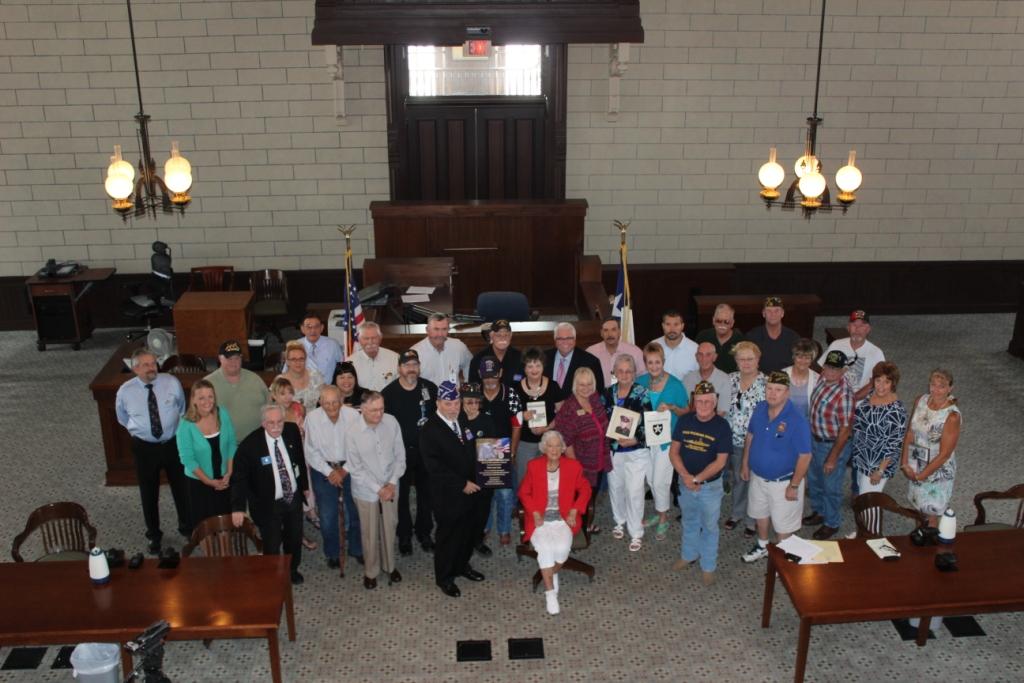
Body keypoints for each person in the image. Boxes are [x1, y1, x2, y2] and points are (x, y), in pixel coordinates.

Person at [115, 347, 190, 554]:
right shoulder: (125, 391)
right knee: (149, 493)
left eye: (153, 363)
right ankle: (154, 535)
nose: (152, 368)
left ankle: (186, 528)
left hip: (172, 443)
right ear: (135, 368)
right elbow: (122, 418)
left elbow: (182, 409)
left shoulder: (171, 382)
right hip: (145, 448)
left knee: (181, 489)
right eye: (146, 364)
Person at [420, 381, 486, 598]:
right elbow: (434, 468)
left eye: (456, 402)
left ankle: (462, 566)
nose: (453, 407)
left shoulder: (463, 420)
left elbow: (473, 450)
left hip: (471, 491)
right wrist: (461, 484)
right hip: (447, 495)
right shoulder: (430, 429)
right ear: (438, 403)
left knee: (467, 533)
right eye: (448, 403)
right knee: (448, 537)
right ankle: (445, 577)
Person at [231, 404, 309, 584]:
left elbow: (299, 459)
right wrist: (237, 507)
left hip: (292, 497)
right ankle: (272, 573)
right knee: (272, 543)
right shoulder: (249, 446)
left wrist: (304, 485)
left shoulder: (291, 431)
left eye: (279, 422)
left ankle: (292, 569)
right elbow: (239, 479)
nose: (275, 427)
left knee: (294, 537)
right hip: (267, 503)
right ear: (263, 423)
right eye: (271, 423)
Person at [740, 371, 812, 563]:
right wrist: (745, 463)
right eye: (769, 388)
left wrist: (794, 485)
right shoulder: (760, 408)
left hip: (784, 482)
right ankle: (763, 545)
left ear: (787, 392)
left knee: (783, 526)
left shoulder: (797, 420)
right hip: (758, 477)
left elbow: (805, 456)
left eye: (778, 390)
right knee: (759, 513)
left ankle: (783, 560)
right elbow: (751, 435)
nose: (772, 393)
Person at [518, 430, 592, 616]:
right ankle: (550, 593)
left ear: (562, 448)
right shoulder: (534, 466)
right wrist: (534, 512)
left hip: (563, 519)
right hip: (539, 520)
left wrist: (575, 509)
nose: (553, 449)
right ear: (544, 448)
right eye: (550, 446)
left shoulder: (573, 466)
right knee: (544, 550)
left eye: (557, 445)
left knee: (561, 550)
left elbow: (585, 489)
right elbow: (524, 492)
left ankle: (550, 571)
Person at [668, 381, 731, 585]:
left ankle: (708, 565)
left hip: (709, 487)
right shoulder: (684, 420)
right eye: (699, 401)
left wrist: (696, 479)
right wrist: (686, 476)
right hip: (686, 482)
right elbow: (674, 452)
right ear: (693, 402)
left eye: (707, 401)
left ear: (714, 403)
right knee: (689, 520)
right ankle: (689, 555)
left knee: (710, 526)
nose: (703, 405)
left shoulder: (722, 426)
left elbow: (721, 461)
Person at [345, 392, 406, 590]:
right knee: (369, 532)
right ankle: (371, 571)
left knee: (390, 526)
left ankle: (390, 566)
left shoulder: (392, 422)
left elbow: (400, 456)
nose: (379, 414)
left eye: (381, 408)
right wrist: (379, 489)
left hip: (391, 485)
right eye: (373, 410)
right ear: (362, 409)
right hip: (366, 491)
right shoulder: (353, 431)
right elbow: (356, 468)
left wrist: (391, 483)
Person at [382, 349, 438, 556]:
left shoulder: (430, 388)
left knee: (426, 494)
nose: (411, 369)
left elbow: (438, 421)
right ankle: (404, 535)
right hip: (400, 454)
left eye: (415, 364)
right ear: (399, 368)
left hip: (426, 453)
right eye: (407, 365)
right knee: (401, 496)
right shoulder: (388, 393)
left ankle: (424, 533)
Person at [304, 385, 362, 569]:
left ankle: (357, 549)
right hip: (323, 469)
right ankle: (333, 552)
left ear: (341, 400)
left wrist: (344, 470)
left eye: (335, 402)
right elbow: (310, 451)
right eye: (326, 403)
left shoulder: (353, 416)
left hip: (350, 467)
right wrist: (329, 472)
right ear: (320, 402)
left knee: (356, 511)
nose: (331, 407)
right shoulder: (312, 418)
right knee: (328, 515)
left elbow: (359, 447)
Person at [636, 342, 688, 541]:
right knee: (650, 479)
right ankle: (658, 513)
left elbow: (686, 411)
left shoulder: (675, 384)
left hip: (667, 441)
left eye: (657, 362)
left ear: (663, 362)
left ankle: (663, 517)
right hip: (646, 440)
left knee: (660, 481)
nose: (654, 366)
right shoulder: (640, 382)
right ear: (645, 363)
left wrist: (673, 407)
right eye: (650, 362)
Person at [603, 354, 653, 552]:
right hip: (614, 450)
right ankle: (619, 520)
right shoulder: (607, 393)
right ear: (614, 372)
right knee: (616, 487)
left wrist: (637, 439)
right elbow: (601, 421)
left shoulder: (642, 393)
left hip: (636, 451)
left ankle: (636, 532)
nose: (624, 374)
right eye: (620, 370)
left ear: (634, 374)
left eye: (628, 371)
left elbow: (649, 424)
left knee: (634, 492)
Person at [900, 368, 962, 527]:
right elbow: (910, 433)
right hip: (917, 462)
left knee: (930, 513)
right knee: (918, 508)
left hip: (937, 470)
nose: (936, 389)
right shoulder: (920, 400)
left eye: (941, 386)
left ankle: (929, 547)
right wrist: (906, 463)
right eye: (933, 384)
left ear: (950, 389)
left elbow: (945, 454)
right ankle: (919, 537)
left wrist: (922, 476)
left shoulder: (952, 416)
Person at [805, 349, 855, 540]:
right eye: (828, 367)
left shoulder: (844, 395)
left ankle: (831, 523)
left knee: (831, 487)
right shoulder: (822, 379)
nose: (830, 372)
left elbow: (845, 430)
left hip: (833, 445)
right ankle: (819, 512)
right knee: (815, 480)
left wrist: (833, 458)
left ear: (843, 371)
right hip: (816, 439)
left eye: (835, 369)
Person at [555, 367, 611, 532]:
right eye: (581, 384)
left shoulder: (595, 399)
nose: (585, 388)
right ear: (575, 385)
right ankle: (576, 529)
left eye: (589, 384)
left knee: (591, 495)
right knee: (579, 497)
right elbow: (566, 441)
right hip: (580, 463)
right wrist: (575, 467)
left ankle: (586, 524)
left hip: (599, 458)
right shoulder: (569, 407)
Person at [176, 379, 237, 529]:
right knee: (205, 526)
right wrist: (209, 481)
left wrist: (229, 472)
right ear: (193, 400)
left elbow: (231, 444)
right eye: (201, 397)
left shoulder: (222, 413)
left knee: (226, 521)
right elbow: (188, 460)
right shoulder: (185, 425)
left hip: (224, 479)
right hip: (199, 482)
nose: (207, 401)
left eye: (210, 396)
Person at [477, 357, 522, 549]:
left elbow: (517, 424)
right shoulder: (474, 393)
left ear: (500, 373)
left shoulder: (510, 394)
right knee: (484, 493)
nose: (490, 380)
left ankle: (504, 529)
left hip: (502, 450)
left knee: (504, 494)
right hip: (480, 450)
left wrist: (512, 452)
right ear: (480, 375)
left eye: (494, 375)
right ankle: (484, 526)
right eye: (486, 376)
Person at [723, 341, 767, 537]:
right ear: (736, 361)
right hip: (732, 441)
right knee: (739, 479)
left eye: (750, 359)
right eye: (742, 359)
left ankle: (752, 520)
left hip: (757, 442)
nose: (746, 363)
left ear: (758, 360)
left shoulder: (766, 384)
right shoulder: (729, 379)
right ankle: (737, 513)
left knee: (754, 482)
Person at [847, 362, 907, 496]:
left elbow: (893, 445)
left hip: (877, 465)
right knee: (863, 498)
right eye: (878, 380)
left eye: (886, 382)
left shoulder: (896, 412)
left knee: (869, 503)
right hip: (862, 458)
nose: (881, 386)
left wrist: (880, 471)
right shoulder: (871, 395)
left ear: (893, 383)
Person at [513, 346, 560, 485]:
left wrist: (546, 428)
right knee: (525, 479)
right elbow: (508, 416)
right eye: (530, 366)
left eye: (537, 365)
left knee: (549, 480)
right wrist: (522, 415)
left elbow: (562, 414)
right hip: (524, 443)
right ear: (524, 368)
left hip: (549, 442)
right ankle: (525, 507)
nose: (534, 370)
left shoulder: (553, 386)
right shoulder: (515, 388)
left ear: (543, 366)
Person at [205, 339, 269, 440]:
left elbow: (270, 407)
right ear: (220, 358)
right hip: (223, 443)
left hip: (256, 441)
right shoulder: (208, 384)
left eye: (237, 358)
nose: (233, 362)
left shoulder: (255, 379)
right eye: (228, 358)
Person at [819, 310, 885, 401]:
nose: (857, 329)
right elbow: (822, 371)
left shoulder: (877, 353)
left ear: (868, 329)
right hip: (833, 398)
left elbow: (876, 383)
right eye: (854, 325)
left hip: (860, 403)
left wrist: (851, 399)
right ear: (848, 327)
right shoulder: (836, 345)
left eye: (862, 326)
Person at [545, 321, 605, 401]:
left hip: (577, 411)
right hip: (547, 411)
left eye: (569, 338)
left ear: (575, 339)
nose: (565, 342)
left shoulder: (591, 362)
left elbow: (598, 391)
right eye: (560, 338)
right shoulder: (543, 358)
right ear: (555, 340)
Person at [411, 312, 473, 386]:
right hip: (429, 397)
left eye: (444, 329)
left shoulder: (458, 346)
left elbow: (471, 365)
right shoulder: (416, 353)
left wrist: (467, 388)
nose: (440, 334)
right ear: (427, 330)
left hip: (454, 396)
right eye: (436, 329)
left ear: (448, 329)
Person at [744, 296, 800, 374]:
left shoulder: (793, 337)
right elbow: (747, 363)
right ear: (763, 313)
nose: (773, 314)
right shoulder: (752, 336)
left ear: (782, 313)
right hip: (759, 380)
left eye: (777, 310)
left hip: (785, 381)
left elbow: (798, 363)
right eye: (769, 311)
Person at [586, 317, 645, 387]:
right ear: (601, 333)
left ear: (619, 332)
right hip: (600, 396)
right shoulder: (591, 352)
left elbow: (643, 377)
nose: (609, 334)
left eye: (613, 330)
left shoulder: (635, 352)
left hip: (628, 395)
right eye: (606, 330)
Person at [469, 319, 523, 388]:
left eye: (506, 335)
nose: (502, 338)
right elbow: (473, 390)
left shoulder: (521, 357)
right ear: (491, 336)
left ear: (511, 336)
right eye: (498, 335)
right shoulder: (478, 359)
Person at [682, 342, 732, 415]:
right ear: (696, 357)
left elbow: (722, 412)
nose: (704, 359)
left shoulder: (724, 379)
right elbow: (684, 407)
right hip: (691, 423)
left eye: (708, 355)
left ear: (715, 357)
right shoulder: (687, 378)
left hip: (714, 424)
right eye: (700, 354)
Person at [349, 321, 399, 392]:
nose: (370, 342)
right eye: (366, 338)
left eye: (374, 338)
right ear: (359, 339)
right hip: (362, 402)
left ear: (380, 337)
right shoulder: (351, 362)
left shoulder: (395, 358)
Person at [650, 309, 699, 381]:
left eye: (676, 324)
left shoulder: (695, 349)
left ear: (682, 326)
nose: (672, 329)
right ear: (663, 325)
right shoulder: (653, 346)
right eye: (668, 324)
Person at [695, 303, 744, 374]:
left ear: (732, 323)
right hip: (707, 381)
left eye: (726, 322)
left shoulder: (741, 340)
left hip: (731, 382)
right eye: (718, 321)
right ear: (713, 320)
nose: (722, 324)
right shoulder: (703, 336)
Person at [278, 340, 324, 413]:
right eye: (293, 359)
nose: (298, 362)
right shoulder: (279, 381)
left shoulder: (316, 377)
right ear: (287, 361)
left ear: (305, 360)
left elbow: (324, 400)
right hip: (289, 421)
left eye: (301, 359)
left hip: (315, 421)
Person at [299, 313, 344, 383]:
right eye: (309, 327)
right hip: (303, 390)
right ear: (302, 329)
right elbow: (287, 371)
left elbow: (342, 369)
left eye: (316, 326)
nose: (313, 330)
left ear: (322, 328)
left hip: (328, 390)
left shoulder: (333, 344)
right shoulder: (295, 346)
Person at [783, 338, 819, 422]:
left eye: (807, 358)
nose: (803, 361)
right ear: (793, 357)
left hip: (806, 424)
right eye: (799, 357)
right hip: (783, 422)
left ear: (812, 359)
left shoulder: (817, 379)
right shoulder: (782, 375)